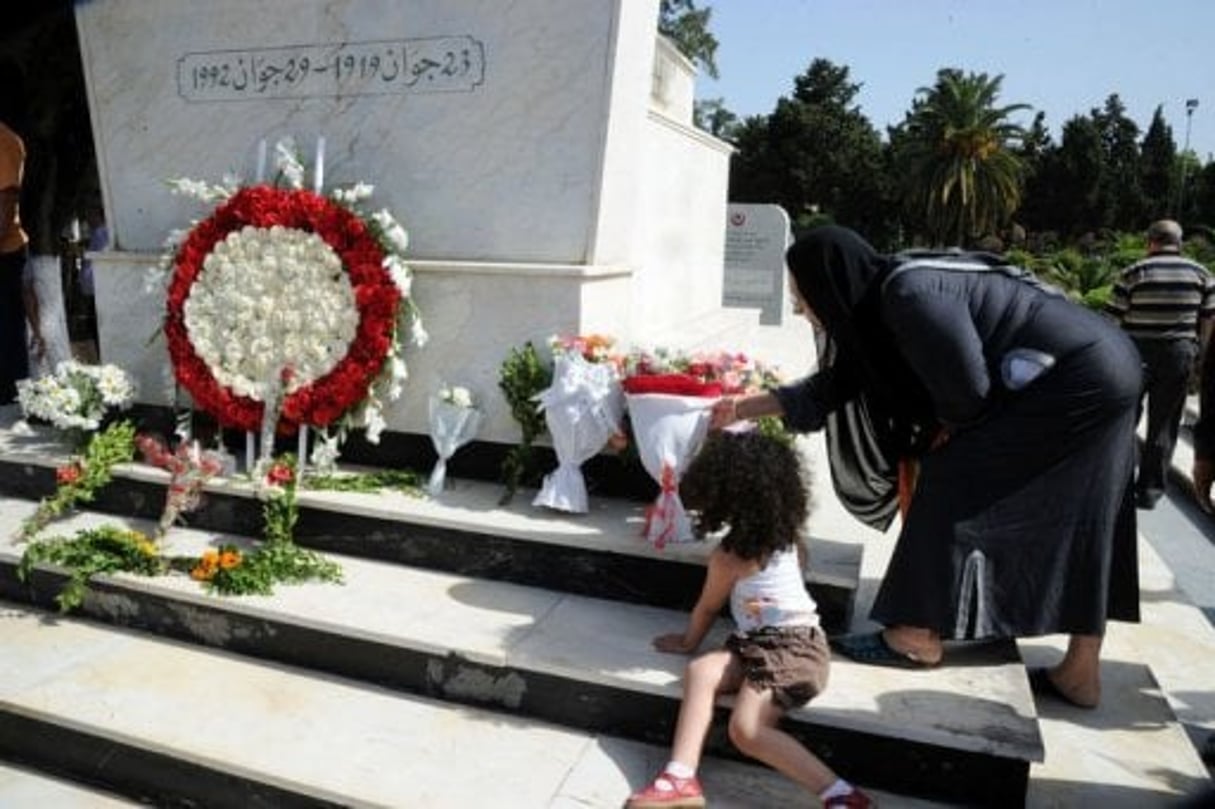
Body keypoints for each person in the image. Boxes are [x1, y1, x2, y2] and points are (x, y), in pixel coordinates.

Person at [711, 225, 1142, 710]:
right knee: (1091, 511)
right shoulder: (883, 305)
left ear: (830, 284)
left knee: (949, 474)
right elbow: (834, 387)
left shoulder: (907, 294)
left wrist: (938, 440)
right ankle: (1081, 673)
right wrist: (742, 408)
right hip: (1107, 364)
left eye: (801, 296)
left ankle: (915, 634)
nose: (799, 309)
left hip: (1071, 375)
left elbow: (966, 398)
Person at [625, 429, 872, 808]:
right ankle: (680, 777)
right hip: (763, 644)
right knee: (703, 671)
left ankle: (842, 796)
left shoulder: (730, 557)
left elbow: (708, 607)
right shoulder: (789, 536)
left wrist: (688, 641)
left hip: (794, 651)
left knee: (747, 729)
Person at [1107, 219, 1215, 510]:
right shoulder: (1202, 275)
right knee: (1164, 425)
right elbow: (1208, 321)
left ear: (1150, 241)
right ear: (1179, 243)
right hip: (1178, 355)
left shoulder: (1133, 272)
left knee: (1124, 419)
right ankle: (1150, 491)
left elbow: (1112, 323)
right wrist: (1200, 357)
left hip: (1133, 353)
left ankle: (1115, 483)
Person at [0, 61, 43, 406]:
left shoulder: (5, 142)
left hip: (4, 252)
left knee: (6, 334)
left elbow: (5, 203)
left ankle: (9, 402)